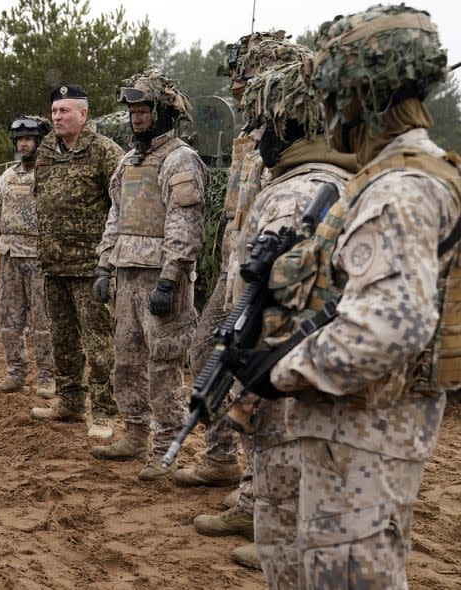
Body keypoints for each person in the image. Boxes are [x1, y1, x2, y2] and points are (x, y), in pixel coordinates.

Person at [228, 5, 460, 588]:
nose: (325, 112)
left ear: (362, 95)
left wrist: (280, 370)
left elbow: (388, 327)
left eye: (333, 96)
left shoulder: (401, 188)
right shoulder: (384, 176)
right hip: (352, 431)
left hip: (368, 434)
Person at [219, 59, 358, 581]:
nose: (257, 139)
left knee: (285, 463)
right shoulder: (337, 177)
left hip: (285, 358)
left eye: (264, 126)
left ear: (287, 125)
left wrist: (249, 360)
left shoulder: (295, 191)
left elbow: (275, 291)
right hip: (320, 358)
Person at [175, 30, 293, 491]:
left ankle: (256, 487)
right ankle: (221, 457)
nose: (237, 84)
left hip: (268, 273)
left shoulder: (288, 135)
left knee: (254, 377)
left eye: (245, 74)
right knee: (206, 353)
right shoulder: (249, 132)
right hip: (233, 267)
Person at [90, 70, 208, 480]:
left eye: (144, 110)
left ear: (163, 113)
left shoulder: (180, 160)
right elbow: (116, 217)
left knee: (164, 366)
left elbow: (184, 225)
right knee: (127, 361)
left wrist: (170, 278)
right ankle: (135, 433)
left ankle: (165, 447)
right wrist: (105, 264)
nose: (137, 118)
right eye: (133, 111)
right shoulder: (128, 161)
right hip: (127, 275)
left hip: (162, 282)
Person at [30, 85, 124, 439]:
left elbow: (121, 204)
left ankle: (103, 411)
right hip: (54, 265)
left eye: (64, 111)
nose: (57, 117)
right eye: (54, 112)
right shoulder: (46, 153)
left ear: (83, 115)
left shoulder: (104, 152)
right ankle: (69, 401)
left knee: (99, 343)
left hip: (90, 266)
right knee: (63, 339)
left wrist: (109, 259)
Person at [0, 115, 56, 398]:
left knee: (43, 322)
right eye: (20, 140)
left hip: (39, 258)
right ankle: (15, 372)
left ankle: (48, 377)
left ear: (39, 142)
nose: (23, 144)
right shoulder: (8, 176)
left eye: (29, 139)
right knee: (9, 319)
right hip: (9, 257)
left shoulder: (50, 173)